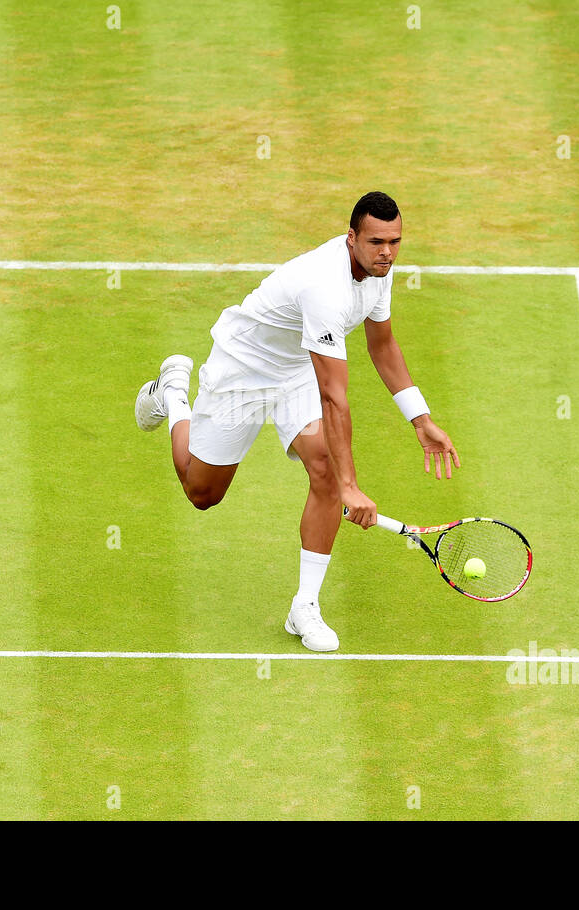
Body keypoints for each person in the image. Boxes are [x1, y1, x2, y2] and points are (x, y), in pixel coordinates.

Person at [134, 191, 460, 651]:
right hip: (243, 368)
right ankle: (173, 393)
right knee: (201, 492)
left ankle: (304, 607)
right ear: (352, 238)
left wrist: (420, 418)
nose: (387, 252)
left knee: (323, 467)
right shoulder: (324, 287)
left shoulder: (379, 272)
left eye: (395, 241)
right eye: (375, 242)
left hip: (297, 371)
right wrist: (351, 486)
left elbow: (382, 346)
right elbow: (334, 396)